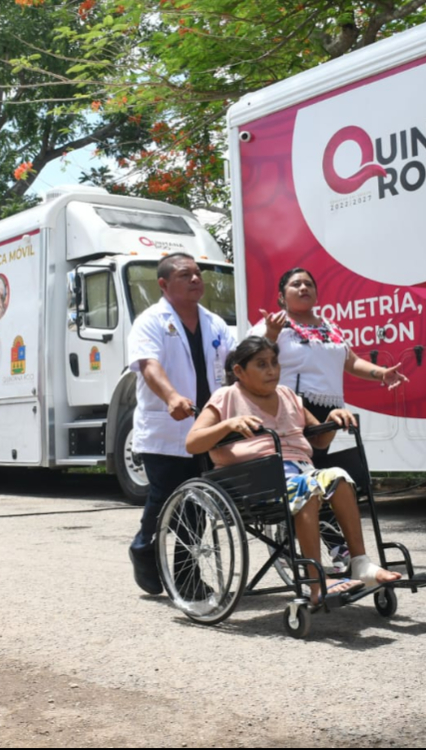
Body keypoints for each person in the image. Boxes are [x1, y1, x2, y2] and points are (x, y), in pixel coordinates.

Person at [186, 335, 402, 604]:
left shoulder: (288, 395)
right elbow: (193, 442)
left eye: (274, 363)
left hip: (300, 471)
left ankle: (360, 563)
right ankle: (315, 582)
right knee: (308, 488)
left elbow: (319, 439)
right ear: (239, 371)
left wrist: (333, 420)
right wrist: (228, 425)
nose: (271, 370)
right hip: (254, 481)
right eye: (262, 364)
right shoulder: (226, 397)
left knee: (340, 477)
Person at [127, 252, 235, 595]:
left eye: (197, 274)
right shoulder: (150, 321)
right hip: (167, 427)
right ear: (163, 284)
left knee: (198, 504)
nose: (195, 280)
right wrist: (172, 397)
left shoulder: (215, 323)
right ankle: (144, 546)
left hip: (207, 427)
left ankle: (187, 579)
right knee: (163, 497)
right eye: (185, 275)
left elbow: (235, 364)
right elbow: (149, 366)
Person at [251, 267, 409, 461]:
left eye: (308, 284)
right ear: (282, 296)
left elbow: (351, 362)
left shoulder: (330, 326)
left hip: (328, 409)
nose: (303, 288)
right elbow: (252, 358)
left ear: (316, 294)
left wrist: (382, 373)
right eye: (296, 284)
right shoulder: (274, 324)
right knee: (298, 463)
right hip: (294, 408)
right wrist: (271, 334)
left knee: (317, 464)